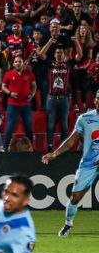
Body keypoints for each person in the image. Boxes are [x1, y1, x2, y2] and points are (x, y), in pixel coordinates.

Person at [42, 90, 99, 237]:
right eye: (98, 99)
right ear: (95, 101)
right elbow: (72, 140)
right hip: (89, 164)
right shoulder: (85, 119)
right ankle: (68, 224)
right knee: (75, 197)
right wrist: (55, 153)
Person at [2, 55, 36, 148]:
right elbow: (3, 86)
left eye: (20, 61)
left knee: (29, 127)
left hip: (26, 105)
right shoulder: (8, 74)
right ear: (13, 64)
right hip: (13, 105)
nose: (18, 63)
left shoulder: (29, 73)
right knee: (9, 127)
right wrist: (10, 93)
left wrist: (32, 94)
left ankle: (31, 148)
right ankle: (5, 148)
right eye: (16, 62)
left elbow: (34, 85)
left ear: (23, 63)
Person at [46, 48, 70, 152]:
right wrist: (51, 42)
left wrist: (76, 43)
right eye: (57, 52)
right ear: (54, 54)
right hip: (51, 98)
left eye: (61, 52)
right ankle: (50, 146)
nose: (59, 54)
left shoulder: (68, 65)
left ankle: (63, 147)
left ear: (64, 54)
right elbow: (41, 54)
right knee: (51, 123)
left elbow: (80, 55)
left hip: (64, 98)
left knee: (64, 124)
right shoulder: (50, 64)